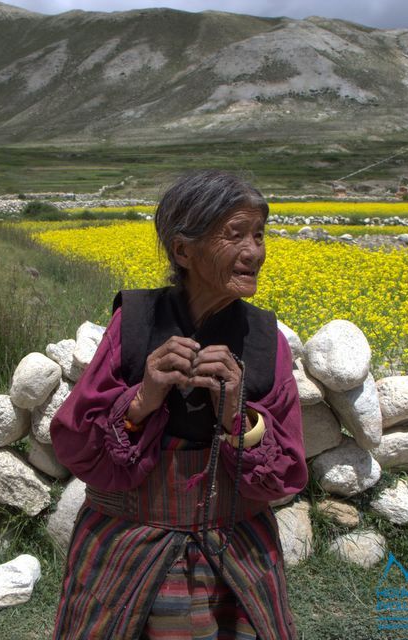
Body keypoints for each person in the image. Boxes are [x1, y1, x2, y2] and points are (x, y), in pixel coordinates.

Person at [51, 170, 308, 640]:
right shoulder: (134, 324)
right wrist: (144, 397)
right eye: (235, 235)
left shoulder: (265, 341)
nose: (255, 252)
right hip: (127, 547)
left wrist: (238, 414)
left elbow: (285, 468)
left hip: (233, 549)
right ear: (183, 251)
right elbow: (75, 442)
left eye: (259, 234)